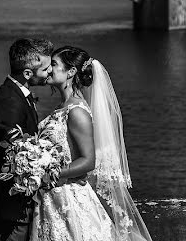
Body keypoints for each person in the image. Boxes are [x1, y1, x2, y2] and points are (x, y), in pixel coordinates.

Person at [31, 46, 152, 241]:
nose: (48, 68)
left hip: (68, 199)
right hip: (51, 198)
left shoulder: (77, 111)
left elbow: (88, 161)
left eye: (54, 64)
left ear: (70, 72)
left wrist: (49, 173)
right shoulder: (62, 107)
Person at [0, 37, 54, 241]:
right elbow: (13, 154)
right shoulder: (9, 102)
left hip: (15, 207)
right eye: (46, 68)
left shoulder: (18, 94)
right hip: (8, 208)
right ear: (28, 73)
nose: (50, 72)